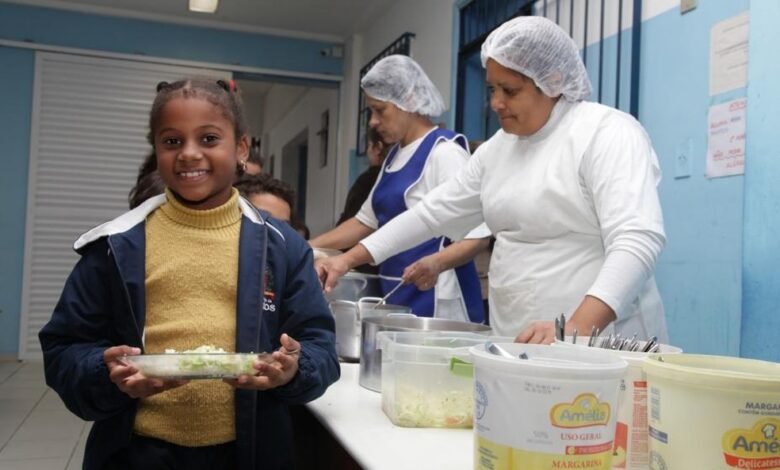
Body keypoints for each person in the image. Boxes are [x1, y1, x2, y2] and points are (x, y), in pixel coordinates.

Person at [39, 78, 339, 470]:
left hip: (249, 453)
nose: (189, 154)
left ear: (241, 148)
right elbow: (63, 349)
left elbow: (320, 347)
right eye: (172, 141)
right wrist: (103, 370)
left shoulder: (282, 246)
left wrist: (295, 368)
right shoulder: (116, 245)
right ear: (157, 150)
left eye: (209, 138)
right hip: (139, 453)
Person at [318, 17, 668, 345]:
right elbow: (431, 214)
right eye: (491, 88)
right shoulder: (497, 151)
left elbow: (636, 241)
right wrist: (346, 260)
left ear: (554, 81)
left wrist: (573, 328)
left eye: (510, 90)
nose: (496, 103)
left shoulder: (606, 133)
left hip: (597, 342)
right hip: (517, 337)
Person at [311, 55, 489, 323]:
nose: (372, 121)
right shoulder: (394, 157)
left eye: (380, 110)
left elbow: (477, 237)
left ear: (411, 101)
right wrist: (307, 247)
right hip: (397, 291)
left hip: (440, 299)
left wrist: (437, 262)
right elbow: (364, 222)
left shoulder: (445, 153)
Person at [337, 127, 390, 225]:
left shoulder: (367, 181)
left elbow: (352, 218)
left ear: (378, 148)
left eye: (369, 146)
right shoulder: (398, 178)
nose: (367, 152)